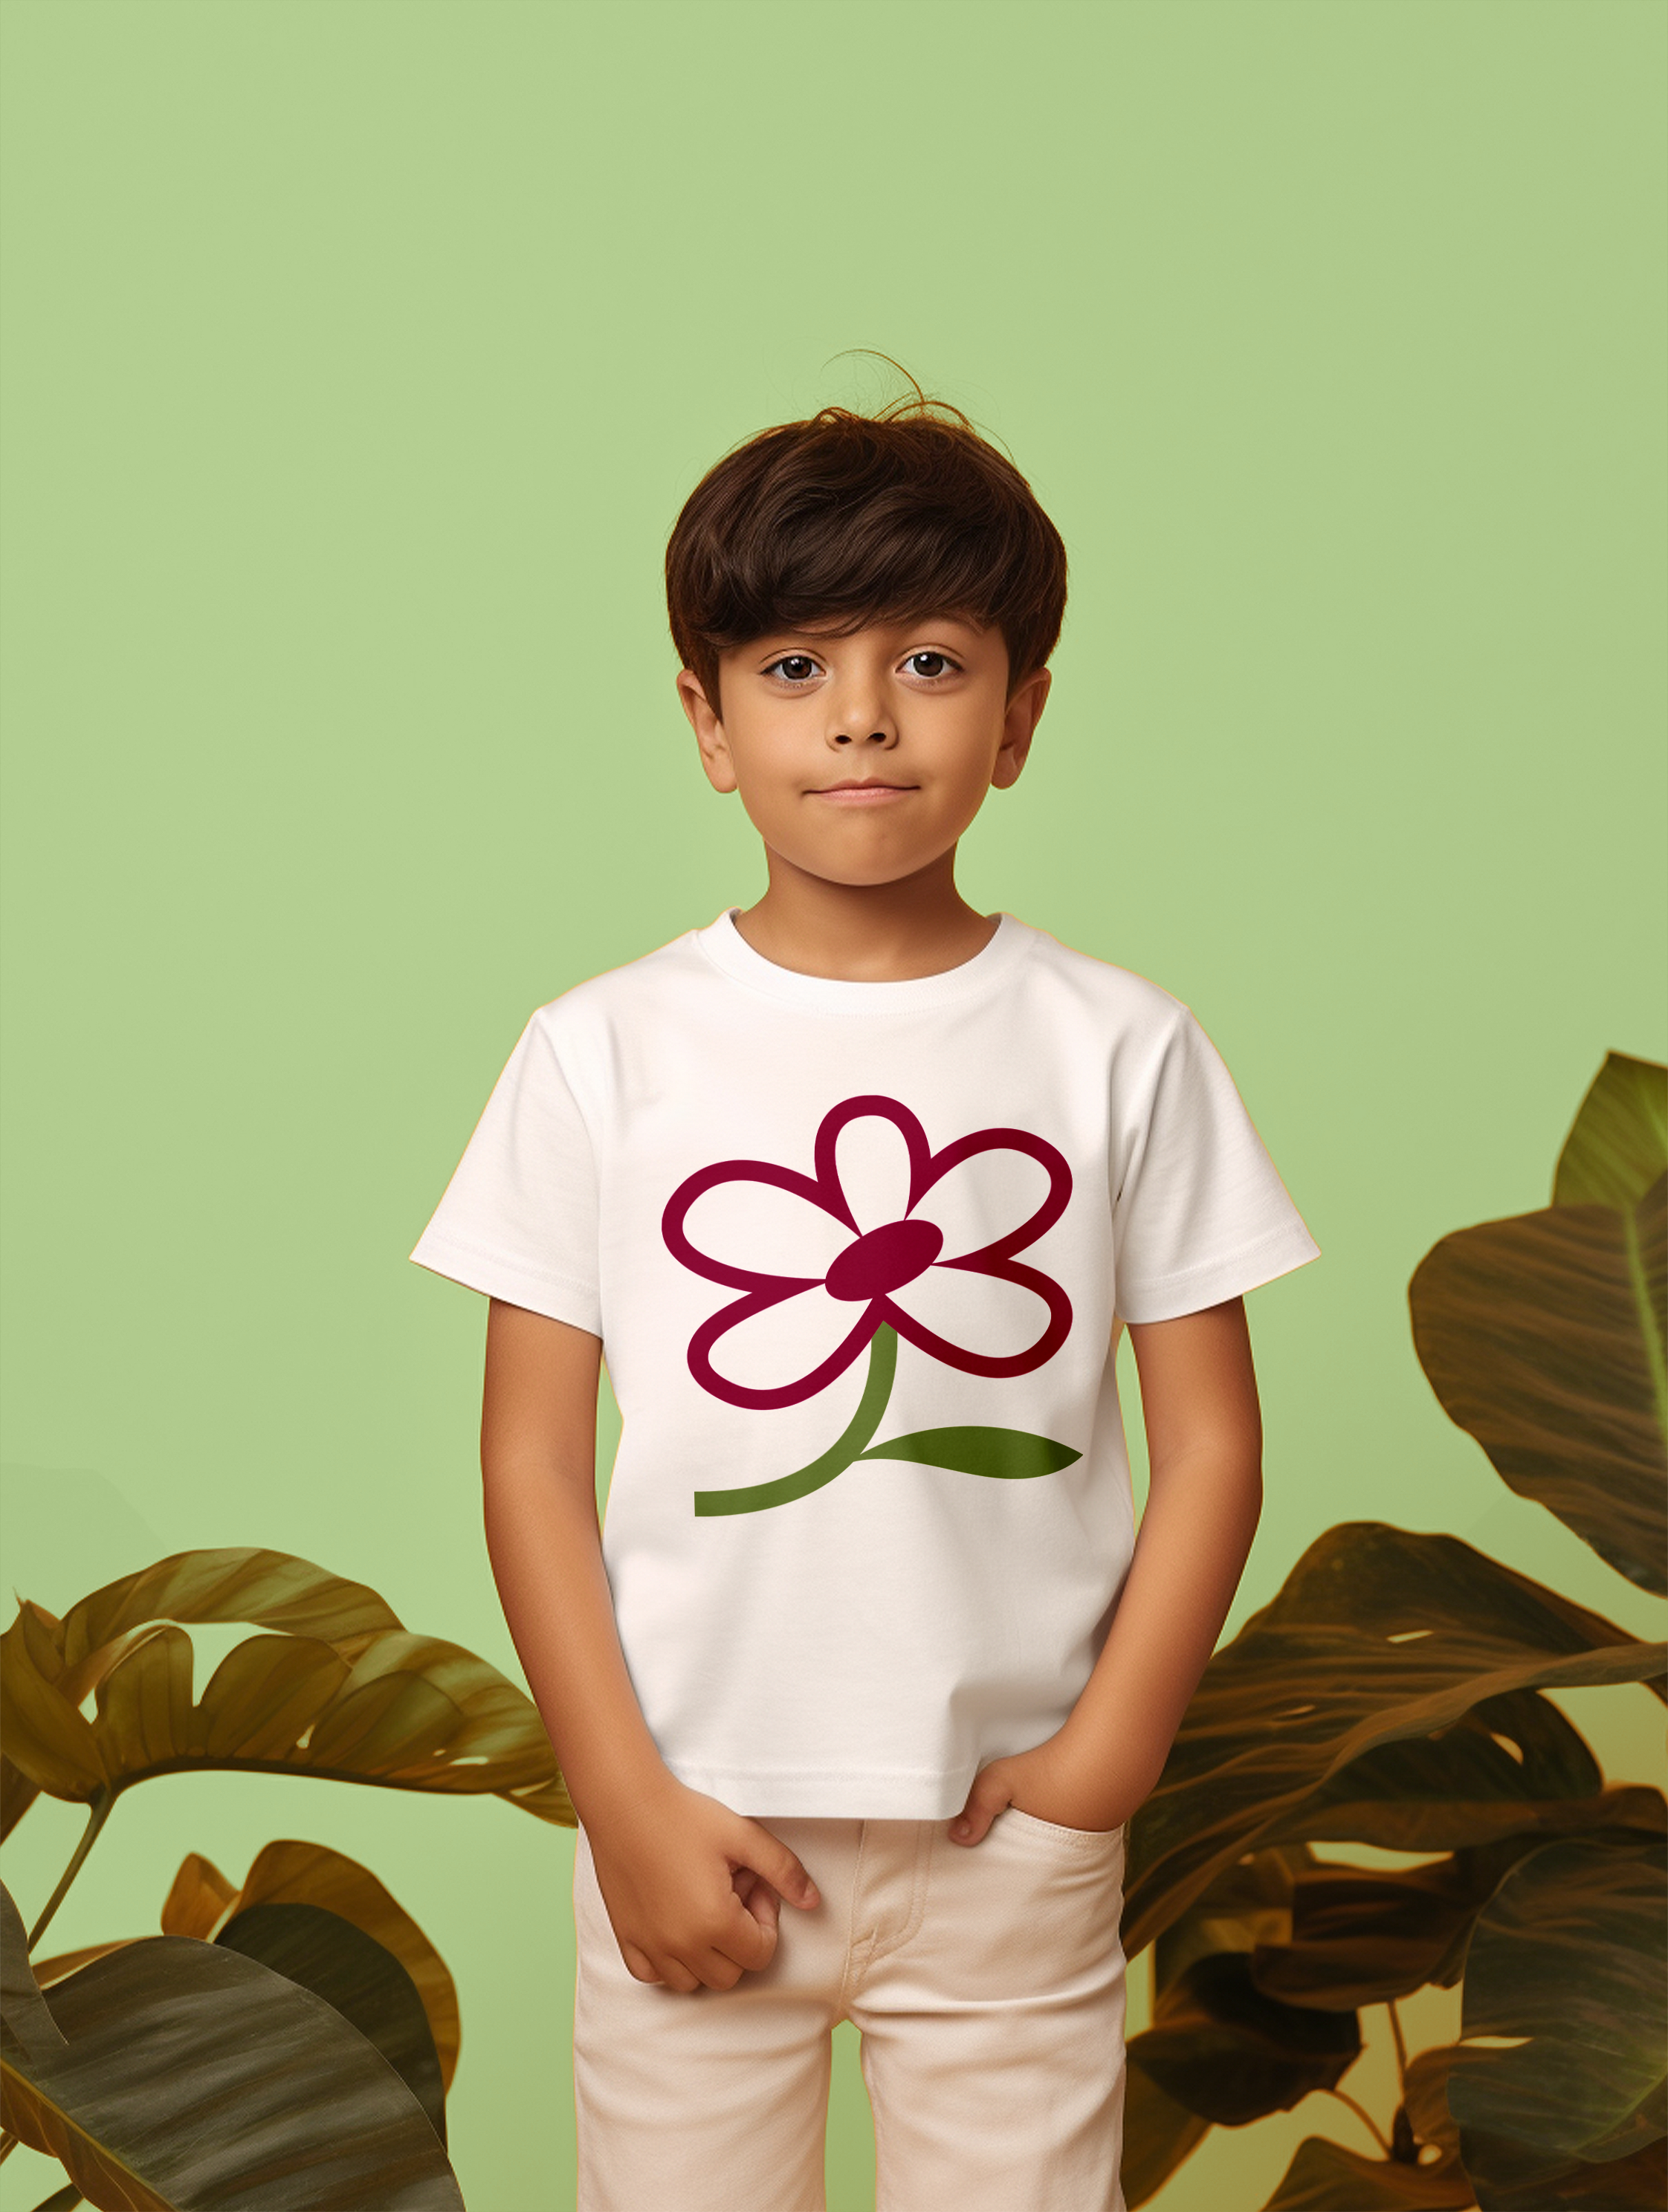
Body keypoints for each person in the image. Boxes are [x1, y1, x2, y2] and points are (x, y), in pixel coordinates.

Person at [409, 384, 1320, 2212]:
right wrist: (621, 1799)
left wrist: (1102, 1766)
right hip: (692, 1826)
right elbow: (530, 1462)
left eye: (928, 661)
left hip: (1009, 1839)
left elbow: (1212, 1442)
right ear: (707, 722)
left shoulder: (1121, 1046)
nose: (863, 718)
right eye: (795, 667)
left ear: (1023, 716)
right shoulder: (600, 1053)